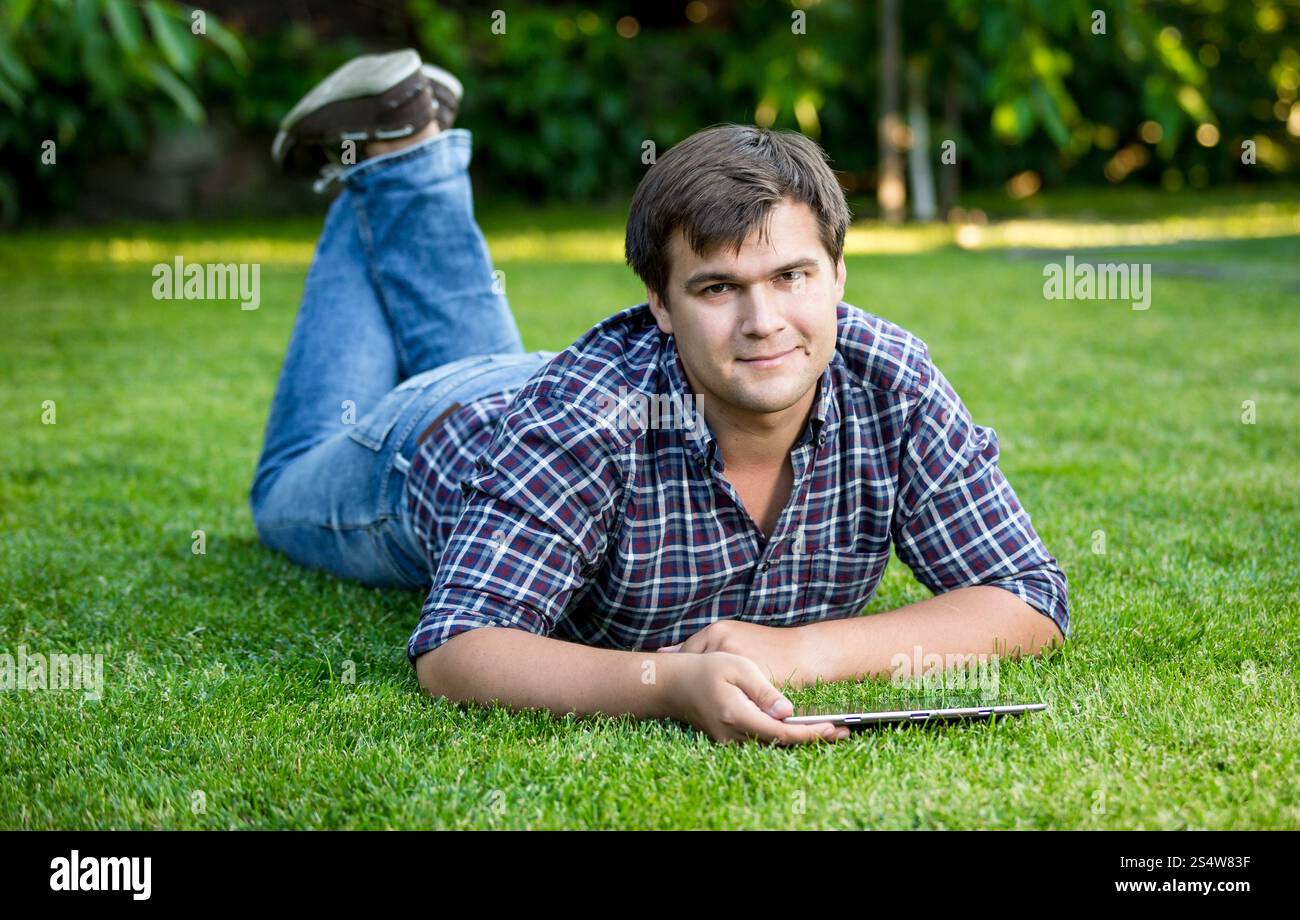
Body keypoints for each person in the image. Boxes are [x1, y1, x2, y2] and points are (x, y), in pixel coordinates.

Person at [250, 49, 1069, 747]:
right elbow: (458, 648)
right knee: (280, 487)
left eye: (792, 276)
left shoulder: (891, 380)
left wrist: (800, 653)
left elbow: (1027, 596)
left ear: (839, 274)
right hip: (432, 438)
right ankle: (384, 165)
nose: (764, 322)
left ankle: (403, 140)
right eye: (718, 287)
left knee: (503, 362)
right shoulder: (585, 417)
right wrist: (666, 684)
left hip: (529, 386)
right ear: (661, 303)